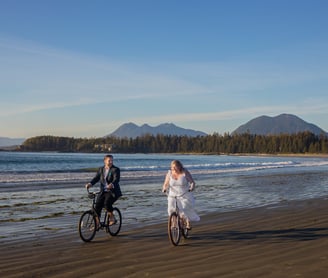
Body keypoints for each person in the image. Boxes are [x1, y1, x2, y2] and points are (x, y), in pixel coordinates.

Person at [162, 159, 200, 230]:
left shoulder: (185, 172)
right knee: (171, 209)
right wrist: (164, 188)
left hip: (184, 194)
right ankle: (173, 223)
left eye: (175, 167)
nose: (174, 169)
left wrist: (192, 187)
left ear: (179, 166)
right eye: (172, 167)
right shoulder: (169, 173)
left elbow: (192, 182)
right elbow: (166, 184)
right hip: (172, 194)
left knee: (184, 208)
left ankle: (187, 221)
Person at [85, 154, 122, 227]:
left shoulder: (116, 169)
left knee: (107, 203)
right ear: (104, 161)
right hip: (103, 191)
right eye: (109, 160)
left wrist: (111, 185)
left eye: (112, 160)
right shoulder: (101, 169)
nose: (111, 162)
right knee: (97, 207)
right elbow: (96, 178)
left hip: (113, 192)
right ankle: (97, 223)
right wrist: (90, 184)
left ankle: (112, 218)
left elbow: (116, 179)